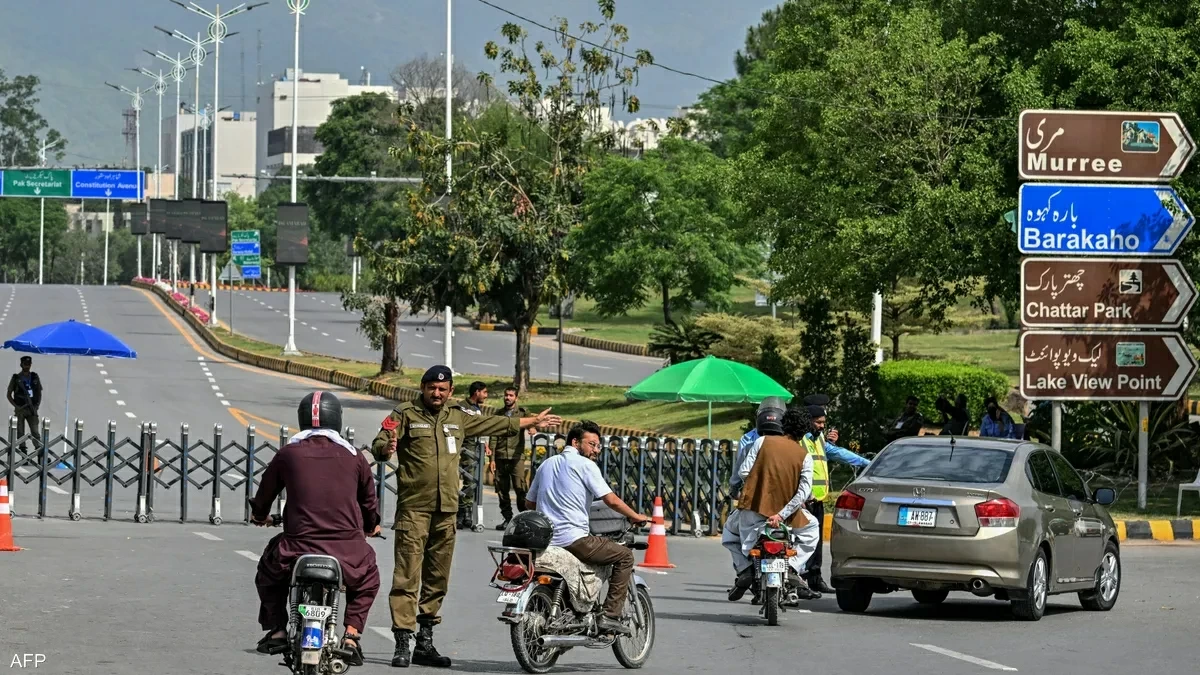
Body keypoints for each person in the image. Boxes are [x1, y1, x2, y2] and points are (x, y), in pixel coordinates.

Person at [371, 365, 561, 668]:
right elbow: (380, 443)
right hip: (414, 510)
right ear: (422, 388)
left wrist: (531, 421)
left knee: (437, 578)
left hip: (447, 510)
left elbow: (496, 424)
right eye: (431, 387)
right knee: (407, 575)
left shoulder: (457, 417)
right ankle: (403, 639)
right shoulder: (405, 413)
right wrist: (387, 448)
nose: (437, 393)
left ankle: (425, 640)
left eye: (442, 389)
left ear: (450, 393)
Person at [250, 392, 381, 667]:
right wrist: (371, 526)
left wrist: (260, 515)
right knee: (369, 578)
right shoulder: (355, 456)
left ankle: (277, 631)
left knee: (267, 573)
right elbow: (369, 501)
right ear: (338, 420)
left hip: (296, 549)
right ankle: (352, 636)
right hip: (348, 551)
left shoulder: (288, 454)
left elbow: (265, 492)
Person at [524, 420, 650, 635]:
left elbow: (529, 503)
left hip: (546, 540)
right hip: (574, 540)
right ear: (575, 442)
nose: (596, 450)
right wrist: (635, 516)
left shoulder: (546, 463)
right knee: (625, 556)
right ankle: (610, 616)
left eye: (598, 446)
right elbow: (611, 500)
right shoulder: (585, 465)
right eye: (592, 445)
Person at [724, 407, 822, 603]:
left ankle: (744, 570)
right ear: (804, 433)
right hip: (787, 518)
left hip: (753, 511)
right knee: (813, 529)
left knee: (729, 534)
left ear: (783, 424)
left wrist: (761, 485)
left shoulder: (761, 442)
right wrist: (780, 514)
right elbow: (803, 492)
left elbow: (744, 471)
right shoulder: (805, 456)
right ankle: (793, 567)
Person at [803, 398, 871, 594]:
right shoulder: (801, 438)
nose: (823, 426)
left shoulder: (819, 439)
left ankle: (814, 578)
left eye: (824, 422)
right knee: (801, 541)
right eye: (819, 422)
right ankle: (798, 580)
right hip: (802, 500)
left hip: (817, 499)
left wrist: (867, 463)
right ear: (808, 420)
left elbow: (838, 453)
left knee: (815, 541)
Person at [729, 396, 789, 499]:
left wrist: (735, 491)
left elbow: (737, 477)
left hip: (755, 499)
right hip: (783, 500)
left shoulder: (749, 446)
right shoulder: (791, 447)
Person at [491, 386, 531, 530]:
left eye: (511, 395)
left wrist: (532, 428)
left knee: (520, 488)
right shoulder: (499, 414)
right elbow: (494, 436)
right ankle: (507, 518)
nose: (507, 398)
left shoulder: (522, 413)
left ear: (516, 398)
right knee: (502, 490)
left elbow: (531, 425)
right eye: (506, 395)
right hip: (501, 456)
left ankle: (524, 519)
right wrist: (492, 459)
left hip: (516, 457)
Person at [456, 381, 489, 530]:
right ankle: (462, 512)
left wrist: (486, 445)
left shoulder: (477, 408)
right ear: (477, 392)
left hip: (476, 447)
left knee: (474, 481)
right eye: (484, 392)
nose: (485, 396)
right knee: (469, 480)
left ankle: (466, 512)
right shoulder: (463, 407)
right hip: (466, 447)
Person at [7, 356, 42, 451]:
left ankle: (40, 453)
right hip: (20, 409)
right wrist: (16, 406)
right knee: (20, 432)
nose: (27, 366)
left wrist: (37, 406)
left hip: (32, 408)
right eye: (25, 364)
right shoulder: (16, 378)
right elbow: (9, 394)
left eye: (29, 364)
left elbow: (39, 392)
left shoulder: (34, 377)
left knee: (35, 432)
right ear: (21, 364)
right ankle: (23, 454)